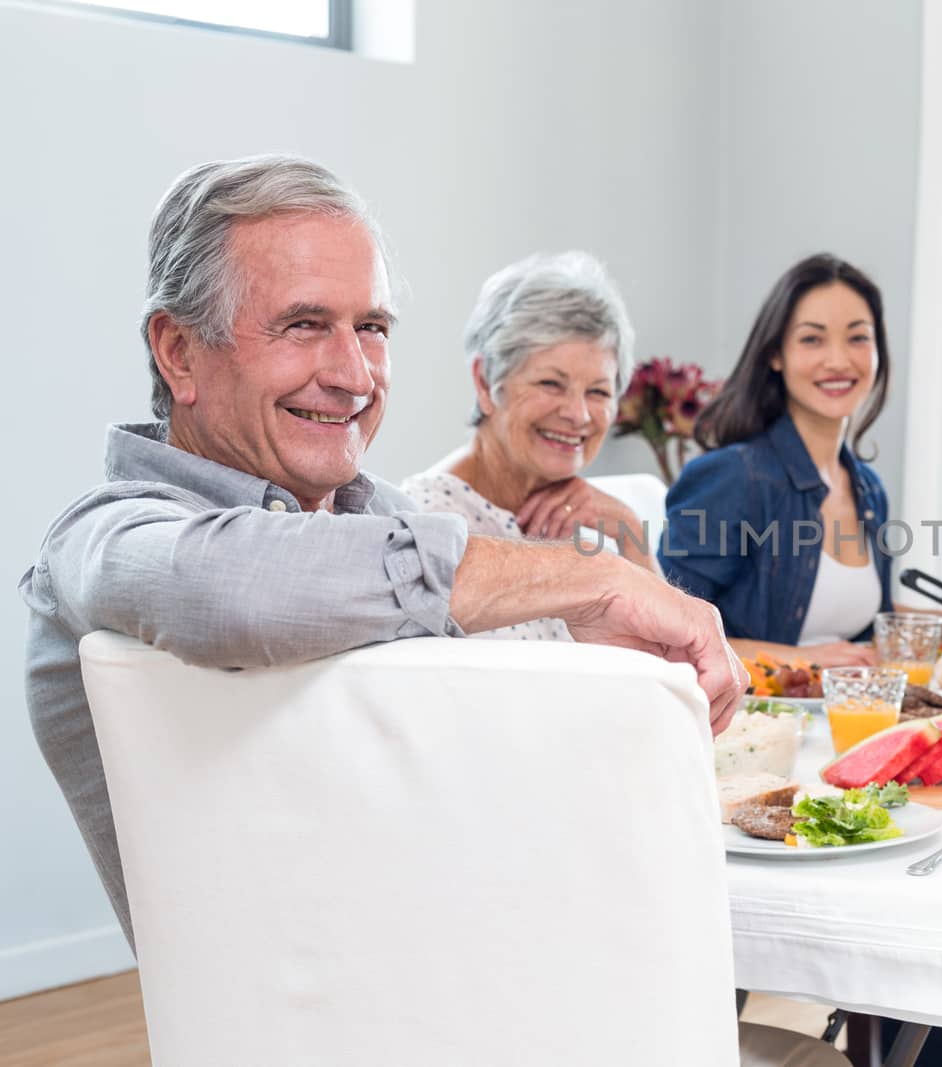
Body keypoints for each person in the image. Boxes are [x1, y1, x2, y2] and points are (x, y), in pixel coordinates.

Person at [18, 155, 744, 948]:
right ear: (180, 353)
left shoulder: (386, 520)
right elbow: (238, 590)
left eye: (372, 327)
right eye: (303, 325)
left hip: (501, 956)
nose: (354, 374)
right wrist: (590, 580)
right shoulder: (104, 537)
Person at [403, 251, 658, 640]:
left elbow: (671, 672)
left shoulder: (590, 520)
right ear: (486, 383)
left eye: (598, 391)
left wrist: (627, 530)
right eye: (550, 384)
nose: (579, 414)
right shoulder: (424, 520)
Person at [659, 253, 893, 668]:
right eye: (812, 339)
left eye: (858, 337)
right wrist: (805, 661)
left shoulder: (868, 488)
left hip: (843, 719)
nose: (838, 360)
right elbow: (667, 637)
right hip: (749, 723)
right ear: (776, 355)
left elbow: (866, 631)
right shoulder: (732, 477)